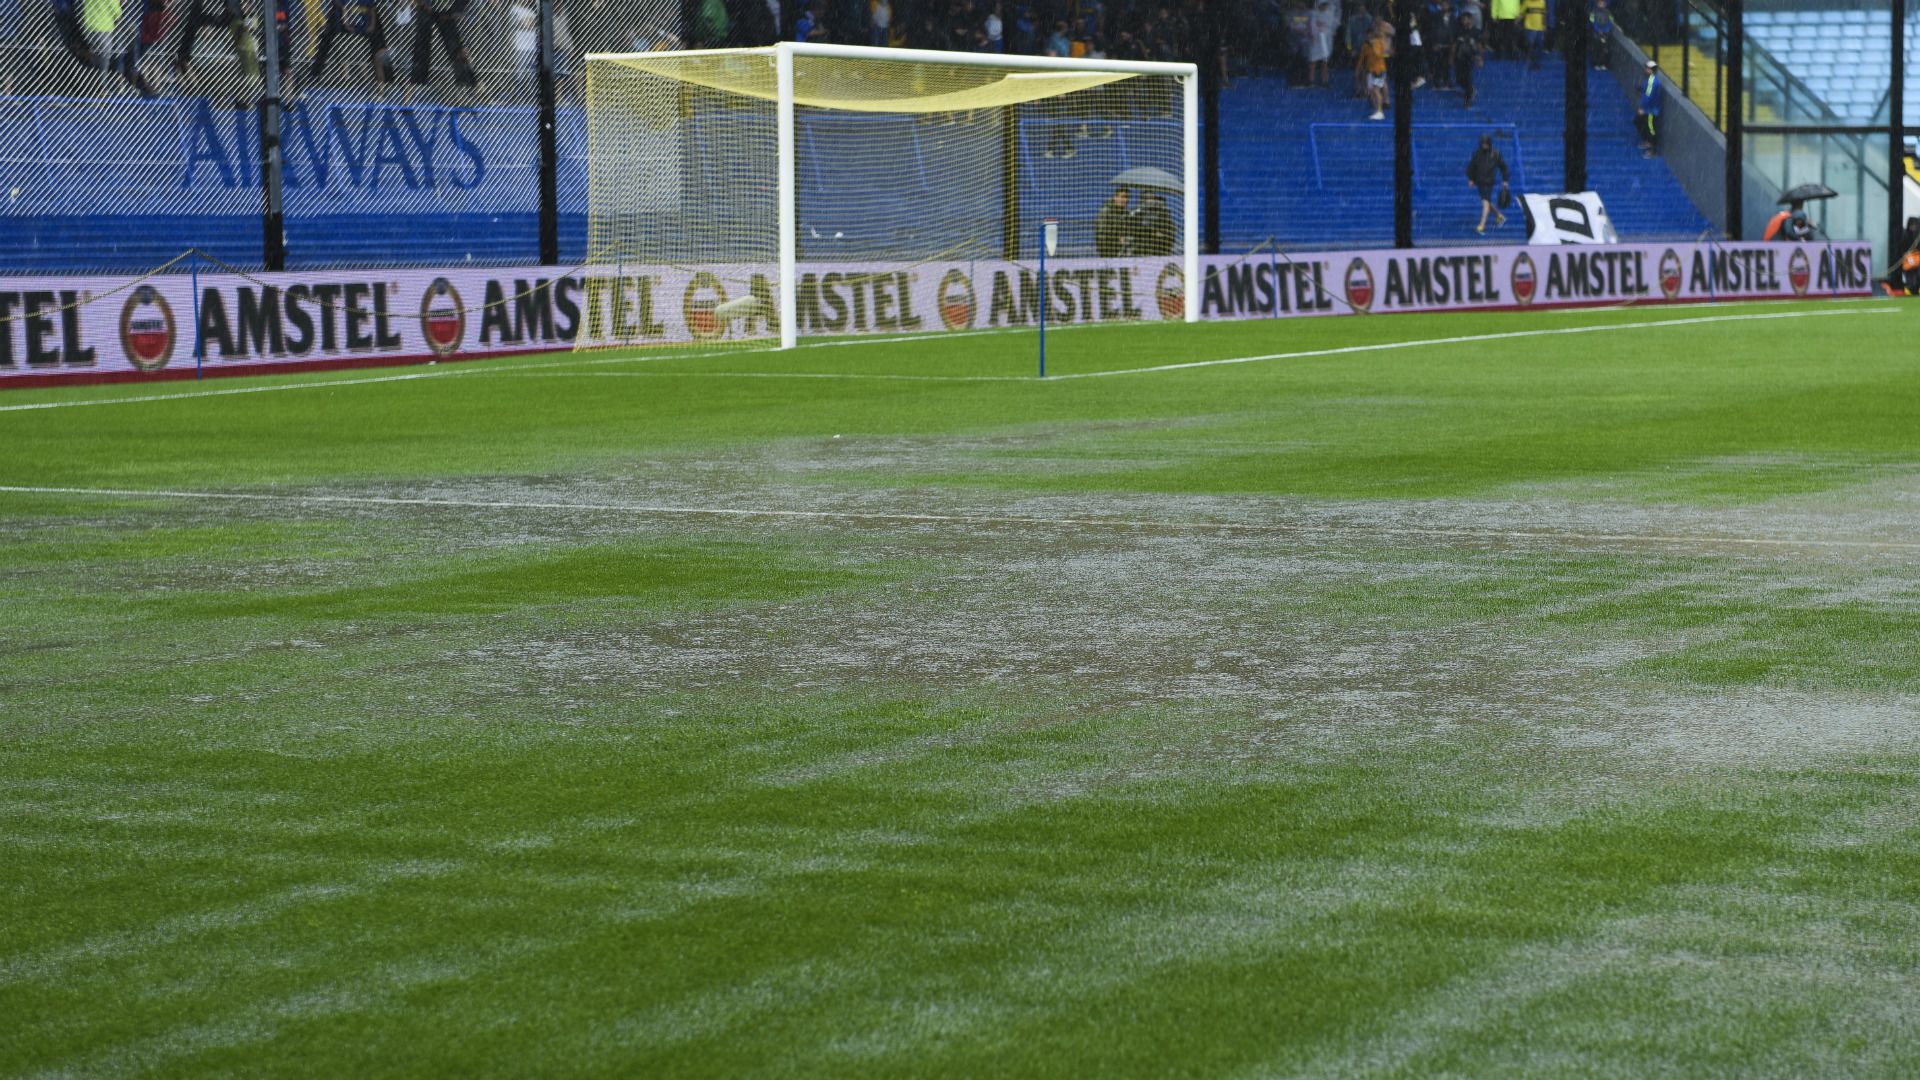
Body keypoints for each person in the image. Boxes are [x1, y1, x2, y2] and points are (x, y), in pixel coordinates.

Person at [311, 0, 393, 84]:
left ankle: (371, 79)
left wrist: (371, 25)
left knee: (366, 51)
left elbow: (371, 9)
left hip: (362, 29)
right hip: (345, 30)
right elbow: (341, 8)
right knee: (343, 48)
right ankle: (343, 78)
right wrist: (347, 24)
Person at [412, 0, 478, 88]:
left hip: (448, 14)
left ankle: (467, 82)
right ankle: (419, 81)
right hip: (429, 10)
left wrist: (455, 12)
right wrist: (424, 5)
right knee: (423, 44)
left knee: (457, 49)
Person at [1466, 133, 1508, 234]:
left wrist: (1505, 180)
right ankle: (1500, 216)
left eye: (1486, 143)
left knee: (1485, 203)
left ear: (1489, 143)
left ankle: (1482, 225)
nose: (1485, 145)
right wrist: (1471, 179)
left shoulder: (1496, 154)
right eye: (1483, 143)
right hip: (1479, 181)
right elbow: (1472, 167)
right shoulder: (1477, 154)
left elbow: (1503, 167)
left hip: (1489, 182)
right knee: (1487, 201)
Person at [1095, 186, 1134, 257]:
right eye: (1120, 197)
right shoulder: (1106, 212)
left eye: (1125, 197)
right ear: (1115, 197)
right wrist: (1118, 239)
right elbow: (1101, 233)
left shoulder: (1127, 214)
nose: (1122, 200)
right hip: (1108, 250)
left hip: (1124, 251)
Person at [1453, 10, 1480, 108]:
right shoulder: (1459, 31)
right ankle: (1470, 90)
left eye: (1465, 19)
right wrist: (1452, 57)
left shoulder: (1476, 31)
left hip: (1469, 58)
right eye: (1462, 19)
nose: (1463, 21)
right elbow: (1455, 44)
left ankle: (1467, 100)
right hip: (1459, 58)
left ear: (1470, 19)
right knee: (1459, 79)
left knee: (1468, 78)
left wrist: (1479, 58)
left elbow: (1480, 45)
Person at [1135, 190, 1175, 255]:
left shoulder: (1164, 214)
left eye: (1151, 198)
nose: (1149, 201)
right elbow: (1136, 230)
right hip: (1142, 248)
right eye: (1146, 198)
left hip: (1160, 249)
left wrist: (1161, 234)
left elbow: (1170, 231)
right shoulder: (1137, 213)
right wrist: (1153, 233)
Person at [1360, 28, 1388, 119]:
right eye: (1367, 35)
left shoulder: (1378, 43)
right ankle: (1377, 109)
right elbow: (1362, 58)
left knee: (1376, 90)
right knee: (1371, 90)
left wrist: (1373, 45)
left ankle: (1380, 111)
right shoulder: (1365, 45)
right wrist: (1359, 69)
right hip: (1370, 70)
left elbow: (1379, 55)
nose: (1369, 37)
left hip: (1379, 70)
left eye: (1370, 35)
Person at [1637, 59, 1662, 157]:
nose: (1645, 69)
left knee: (1651, 129)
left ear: (1651, 70)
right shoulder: (1650, 79)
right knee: (1643, 125)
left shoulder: (1652, 81)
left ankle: (1653, 150)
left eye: (1647, 68)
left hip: (1651, 110)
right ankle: (1648, 142)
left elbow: (1649, 96)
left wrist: (1643, 108)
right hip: (1650, 109)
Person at [1520, 0, 1545, 67]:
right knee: (1530, 45)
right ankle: (1530, 62)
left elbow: (1544, 14)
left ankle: (1536, 62)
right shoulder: (1526, 2)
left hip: (1540, 28)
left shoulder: (1542, 2)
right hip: (1529, 28)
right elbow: (1521, 13)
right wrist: (1517, 21)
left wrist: (1544, 25)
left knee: (1539, 45)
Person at [1589, 0, 1612, 69]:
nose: (1601, 4)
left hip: (1605, 34)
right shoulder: (1593, 12)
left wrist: (1605, 30)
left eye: (1603, 3)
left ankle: (1603, 64)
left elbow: (1610, 22)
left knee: (1604, 49)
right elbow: (1592, 21)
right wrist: (1598, 30)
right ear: (1597, 4)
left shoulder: (1608, 12)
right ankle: (1596, 64)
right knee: (1596, 48)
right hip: (1596, 34)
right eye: (1600, 3)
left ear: (1605, 4)